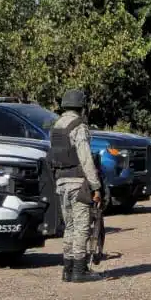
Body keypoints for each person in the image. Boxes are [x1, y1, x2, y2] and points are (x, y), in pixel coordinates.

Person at [49, 88, 103, 282]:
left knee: (69, 226)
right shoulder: (78, 126)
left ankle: (67, 269)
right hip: (78, 184)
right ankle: (79, 272)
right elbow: (86, 158)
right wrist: (96, 186)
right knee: (81, 227)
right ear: (82, 107)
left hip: (61, 182)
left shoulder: (56, 127)